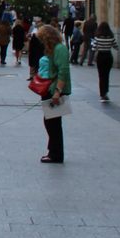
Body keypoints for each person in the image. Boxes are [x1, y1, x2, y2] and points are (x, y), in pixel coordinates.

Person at [36, 23, 70, 164]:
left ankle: (56, 154)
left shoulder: (60, 49)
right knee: (50, 121)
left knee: (53, 122)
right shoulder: (52, 49)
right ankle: (53, 151)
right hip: (50, 89)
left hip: (56, 90)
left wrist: (57, 92)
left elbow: (63, 71)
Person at [91, 21, 117, 100]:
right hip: (108, 56)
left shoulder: (97, 37)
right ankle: (106, 91)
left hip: (101, 56)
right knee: (107, 75)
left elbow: (93, 48)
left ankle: (102, 93)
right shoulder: (111, 37)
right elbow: (116, 47)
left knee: (101, 75)